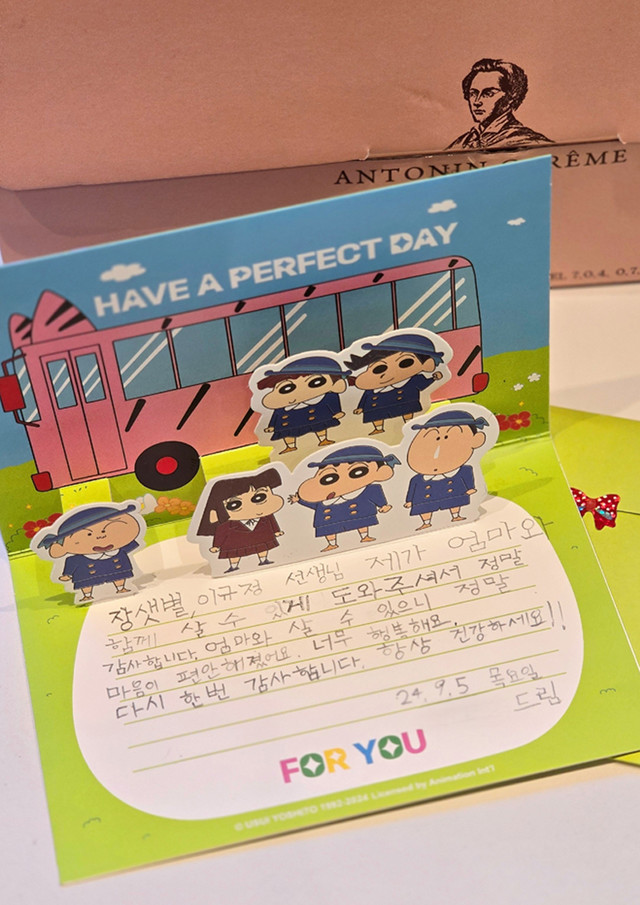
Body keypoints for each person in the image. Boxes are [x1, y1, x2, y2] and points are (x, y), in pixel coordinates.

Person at [290, 445, 399, 552]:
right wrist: (299, 500)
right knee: (329, 530)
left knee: (361, 523)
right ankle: (332, 544)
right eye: (328, 478)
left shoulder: (368, 489)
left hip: (360, 515)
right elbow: (313, 504)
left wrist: (383, 505)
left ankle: (365, 536)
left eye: (358, 472)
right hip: (329, 521)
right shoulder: (324, 500)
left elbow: (376, 495)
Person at [36, 503, 143, 603]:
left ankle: (121, 588)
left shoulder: (119, 550)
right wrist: (67, 574)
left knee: (119, 577)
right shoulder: (77, 559)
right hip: (87, 573)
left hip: (117, 568)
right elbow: (71, 563)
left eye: (104, 530)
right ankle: (86, 595)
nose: (100, 536)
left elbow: (133, 543)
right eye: (88, 534)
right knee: (86, 583)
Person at [344, 332, 446, 435]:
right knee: (377, 416)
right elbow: (365, 398)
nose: (388, 374)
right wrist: (361, 407)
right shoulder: (371, 390)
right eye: (379, 368)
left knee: (407, 411)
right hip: (377, 408)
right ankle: (379, 428)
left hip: (405, 403)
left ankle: (409, 422)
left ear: (426, 364)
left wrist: (434, 378)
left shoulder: (413, 380)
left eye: (405, 362)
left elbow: (423, 384)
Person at [404, 409, 488, 529]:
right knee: (424, 508)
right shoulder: (417, 479)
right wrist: (410, 501)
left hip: (455, 493)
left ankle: (455, 515)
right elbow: (412, 488)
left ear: (475, 440)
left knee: (454, 502)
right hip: (424, 498)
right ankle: (426, 522)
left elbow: (468, 478)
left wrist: (470, 488)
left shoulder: (464, 470)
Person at [446, 58, 552, 151]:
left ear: (511, 97)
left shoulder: (528, 141)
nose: (477, 102)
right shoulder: (462, 142)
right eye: (473, 94)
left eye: (488, 94)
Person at [196, 467, 284, 572]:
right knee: (234, 554)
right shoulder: (228, 525)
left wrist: (276, 531)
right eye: (234, 504)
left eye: (260, 497)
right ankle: (233, 566)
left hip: (260, 537)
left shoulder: (266, 517)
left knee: (262, 548)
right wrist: (216, 546)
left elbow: (272, 522)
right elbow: (220, 533)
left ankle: (263, 559)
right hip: (236, 542)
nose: (251, 508)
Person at [256, 355, 350, 453]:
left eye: (316, 382)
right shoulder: (282, 408)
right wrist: (272, 426)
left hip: (318, 418)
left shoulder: (327, 397)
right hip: (290, 423)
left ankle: (323, 439)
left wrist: (337, 412)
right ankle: (290, 446)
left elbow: (333, 403)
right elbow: (276, 416)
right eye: (286, 388)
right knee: (287, 433)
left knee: (320, 427)